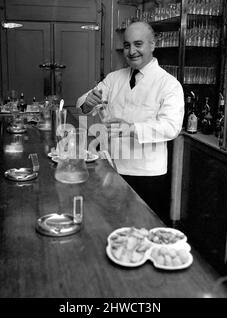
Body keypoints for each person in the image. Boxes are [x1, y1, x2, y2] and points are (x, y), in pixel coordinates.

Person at [76, 21, 184, 218]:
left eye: (138, 44)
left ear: (153, 45)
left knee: (144, 229)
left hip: (147, 174)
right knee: (112, 224)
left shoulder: (169, 84)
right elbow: (81, 104)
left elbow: (171, 127)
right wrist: (89, 102)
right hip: (111, 167)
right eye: (127, 45)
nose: (132, 51)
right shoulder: (114, 78)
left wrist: (131, 128)